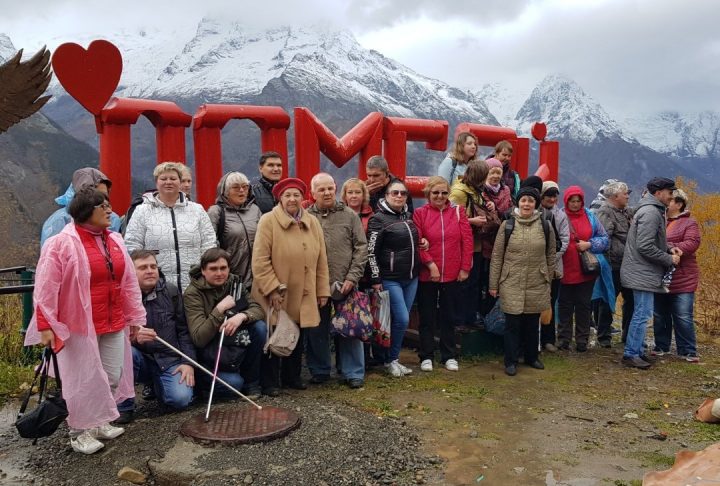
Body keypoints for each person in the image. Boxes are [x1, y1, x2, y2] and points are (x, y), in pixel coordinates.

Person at [25, 187, 147, 454]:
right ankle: (79, 432)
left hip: (114, 320)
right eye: (102, 206)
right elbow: (46, 287)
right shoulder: (61, 244)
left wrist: (135, 316)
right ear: (85, 211)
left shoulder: (114, 240)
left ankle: (101, 420)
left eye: (108, 205)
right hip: (80, 324)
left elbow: (127, 283)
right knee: (81, 380)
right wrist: (46, 324)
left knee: (112, 375)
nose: (109, 210)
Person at [252, 178, 330, 390]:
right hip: (278, 291)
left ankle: (292, 378)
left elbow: (322, 259)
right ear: (280, 198)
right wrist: (272, 288)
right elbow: (259, 260)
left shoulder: (312, 222)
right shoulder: (268, 221)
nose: (292, 199)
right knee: (274, 333)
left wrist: (322, 291)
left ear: (303, 198)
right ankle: (270, 383)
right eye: (287, 195)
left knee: (297, 332)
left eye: (296, 195)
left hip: (304, 291)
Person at [306, 173, 368, 388]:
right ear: (313, 193)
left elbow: (361, 247)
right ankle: (320, 370)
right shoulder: (305, 217)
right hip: (316, 285)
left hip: (346, 282)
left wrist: (353, 276)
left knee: (351, 327)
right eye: (321, 189)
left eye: (330, 188)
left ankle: (353, 372)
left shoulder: (349, 215)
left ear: (335, 188)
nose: (326, 193)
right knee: (317, 329)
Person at [489, 186, 555, 376]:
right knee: (512, 323)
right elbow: (497, 256)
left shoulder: (545, 225)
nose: (527, 204)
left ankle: (531, 356)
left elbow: (550, 254)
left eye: (531, 201)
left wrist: (548, 278)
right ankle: (510, 360)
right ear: (518, 202)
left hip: (537, 279)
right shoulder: (507, 225)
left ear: (536, 203)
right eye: (524, 200)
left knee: (532, 321)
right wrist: (493, 284)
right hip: (511, 280)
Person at [184, 248, 268, 397]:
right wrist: (219, 309)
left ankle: (252, 383)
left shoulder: (235, 283)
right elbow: (199, 338)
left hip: (233, 343)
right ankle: (204, 384)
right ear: (203, 271)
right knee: (234, 384)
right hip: (210, 352)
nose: (219, 273)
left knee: (259, 328)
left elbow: (258, 310)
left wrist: (242, 316)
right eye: (213, 269)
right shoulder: (192, 293)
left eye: (223, 268)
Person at [124, 161, 216, 291]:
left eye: (173, 178)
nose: (168, 182)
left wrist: (203, 272)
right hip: (157, 286)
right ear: (156, 182)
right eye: (163, 179)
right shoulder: (142, 211)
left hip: (194, 285)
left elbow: (209, 244)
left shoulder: (197, 210)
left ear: (180, 182)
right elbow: (132, 246)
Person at [413, 176, 472, 372]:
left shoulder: (458, 212)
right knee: (427, 316)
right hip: (428, 274)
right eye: (435, 192)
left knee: (449, 315)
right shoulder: (420, 214)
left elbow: (467, 241)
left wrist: (465, 267)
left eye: (444, 192)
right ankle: (426, 355)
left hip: (453, 272)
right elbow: (418, 242)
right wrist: (430, 264)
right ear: (428, 193)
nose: (440, 196)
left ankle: (449, 355)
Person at [621, 177, 681, 369]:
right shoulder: (651, 213)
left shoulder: (651, 210)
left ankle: (636, 351)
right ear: (658, 193)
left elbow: (652, 241)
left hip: (641, 271)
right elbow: (645, 246)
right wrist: (668, 259)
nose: (672, 196)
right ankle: (631, 353)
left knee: (642, 312)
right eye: (669, 192)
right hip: (642, 272)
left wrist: (669, 248)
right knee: (642, 313)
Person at [367, 180, 420, 377]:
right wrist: (376, 279)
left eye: (403, 193)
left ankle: (393, 359)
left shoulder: (408, 216)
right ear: (386, 196)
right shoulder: (378, 219)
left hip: (411, 277)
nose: (399, 196)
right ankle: (389, 360)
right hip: (390, 278)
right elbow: (370, 252)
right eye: (395, 193)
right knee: (402, 319)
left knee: (401, 322)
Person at [130, 250, 194, 411]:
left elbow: (184, 331)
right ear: (131, 271)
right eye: (143, 267)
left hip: (169, 359)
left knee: (180, 400)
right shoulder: (123, 295)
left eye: (153, 266)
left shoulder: (171, 292)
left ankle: (158, 384)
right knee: (126, 353)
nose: (150, 271)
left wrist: (188, 363)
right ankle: (124, 406)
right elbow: (113, 337)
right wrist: (133, 338)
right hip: (141, 358)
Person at [557, 186, 610, 352]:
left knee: (583, 305)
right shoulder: (559, 215)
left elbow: (604, 238)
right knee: (564, 305)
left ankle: (582, 340)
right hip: (564, 267)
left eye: (578, 201)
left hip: (585, 269)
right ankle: (563, 338)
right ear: (566, 201)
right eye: (572, 201)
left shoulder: (591, 216)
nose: (575, 204)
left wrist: (590, 244)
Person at [652, 188, 701, 362]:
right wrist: (668, 247)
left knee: (682, 315)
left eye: (671, 200)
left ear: (679, 204)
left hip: (683, 277)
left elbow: (692, 242)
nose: (667, 202)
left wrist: (673, 248)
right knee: (660, 314)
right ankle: (661, 346)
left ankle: (688, 350)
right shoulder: (659, 219)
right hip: (661, 275)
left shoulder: (690, 223)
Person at [449, 159, 497, 325]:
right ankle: (459, 319)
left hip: (476, 244)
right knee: (464, 284)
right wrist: (472, 221)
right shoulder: (459, 192)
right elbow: (450, 218)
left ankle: (470, 317)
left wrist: (488, 206)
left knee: (473, 283)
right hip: (462, 245)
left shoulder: (476, 190)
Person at [594, 181, 635, 347]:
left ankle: (628, 335)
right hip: (613, 266)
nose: (628, 196)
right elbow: (604, 239)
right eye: (625, 193)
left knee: (631, 300)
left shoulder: (625, 211)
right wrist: (607, 263)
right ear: (615, 196)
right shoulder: (605, 212)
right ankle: (604, 336)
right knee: (608, 300)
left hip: (629, 264)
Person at [207, 171, 262, 290]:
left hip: (257, 278)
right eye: (236, 187)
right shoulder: (216, 212)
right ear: (225, 192)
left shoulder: (255, 210)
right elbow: (209, 245)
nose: (242, 191)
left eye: (245, 187)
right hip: (229, 278)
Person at [41, 168, 122, 247]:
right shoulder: (59, 221)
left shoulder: (113, 219)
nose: (102, 200)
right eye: (98, 195)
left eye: (105, 195)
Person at [539, 181, 570, 352]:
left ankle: (548, 338)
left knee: (550, 301)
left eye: (554, 195)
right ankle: (535, 338)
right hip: (536, 265)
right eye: (548, 195)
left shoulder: (560, 216)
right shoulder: (535, 212)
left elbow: (564, 241)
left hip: (554, 268)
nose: (552, 199)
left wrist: (550, 259)